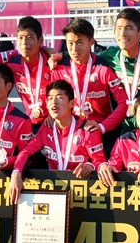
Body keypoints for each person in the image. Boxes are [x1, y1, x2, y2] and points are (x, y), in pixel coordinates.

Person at [9, 80, 105, 203]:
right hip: (54, 192)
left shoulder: (88, 130)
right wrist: (16, 172)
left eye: (59, 98)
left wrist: (91, 166)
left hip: (82, 195)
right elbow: (27, 151)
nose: (53, 102)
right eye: (49, 98)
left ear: (71, 103)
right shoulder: (46, 128)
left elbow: (101, 162)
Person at [50, 18, 129, 158]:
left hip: (104, 134)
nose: (74, 49)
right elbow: (51, 100)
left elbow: (124, 104)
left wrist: (103, 127)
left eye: (80, 43)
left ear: (91, 42)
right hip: (72, 135)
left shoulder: (103, 70)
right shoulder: (59, 69)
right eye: (70, 43)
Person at [97, 92, 140, 187]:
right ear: (135, 116)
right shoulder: (125, 140)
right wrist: (104, 167)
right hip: (135, 197)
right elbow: (114, 165)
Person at [5, 17, 53, 128]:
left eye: (30, 38)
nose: (24, 43)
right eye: (20, 38)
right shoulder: (12, 65)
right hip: (30, 123)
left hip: (54, 123)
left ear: (40, 40)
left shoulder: (52, 63)